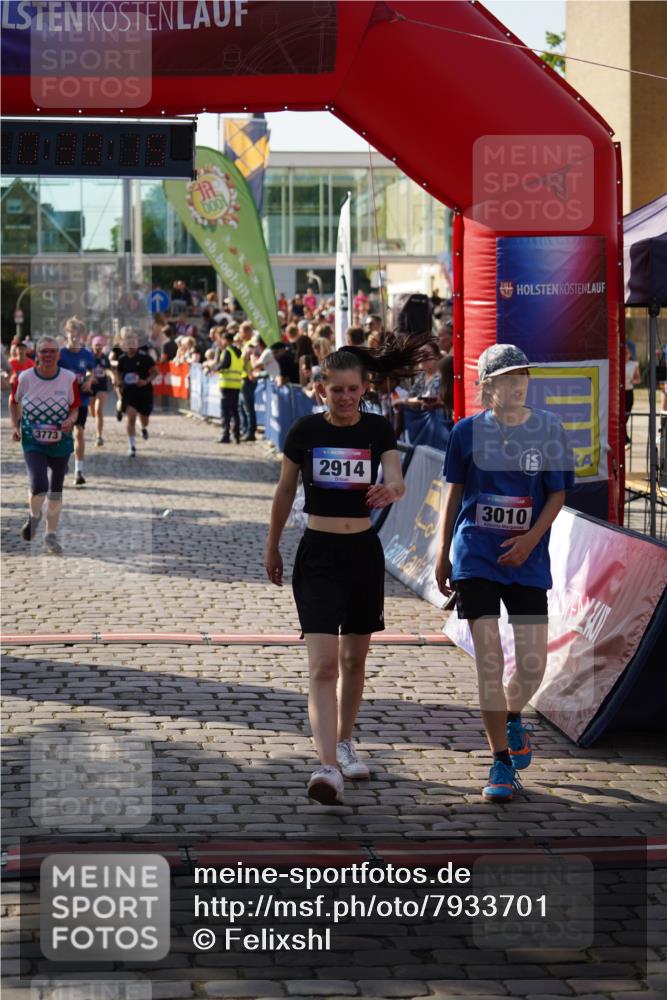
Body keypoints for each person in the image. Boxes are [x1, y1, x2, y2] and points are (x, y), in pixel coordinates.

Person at [264, 336, 430, 805]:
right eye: (335, 389)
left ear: (363, 389)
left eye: (352, 389)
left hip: (362, 552)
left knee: (355, 661)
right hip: (317, 553)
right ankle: (327, 767)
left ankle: (343, 740)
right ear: (322, 389)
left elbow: (396, 476)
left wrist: (391, 489)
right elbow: (283, 492)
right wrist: (272, 545)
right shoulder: (304, 432)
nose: (344, 396)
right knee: (323, 664)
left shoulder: (377, 431)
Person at [434, 344, 574, 803]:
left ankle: (513, 715)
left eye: (523, 378)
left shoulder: (549, 428)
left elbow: (557, 494)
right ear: (487, 387)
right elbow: (452, 495)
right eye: (507, 379)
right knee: (490, 658)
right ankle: (500, 761)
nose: (517, 386)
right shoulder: (466, 432)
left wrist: (531, 539)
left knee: (533, 665)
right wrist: (441, 553)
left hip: (527, 559)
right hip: (476, 554)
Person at [9, 335, 80, 555]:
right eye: (43, 351)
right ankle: (34, 515)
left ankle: (51, 535)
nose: (47, 355)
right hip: (33, 440)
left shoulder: (68, 378)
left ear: (58, 355)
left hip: (61, 442)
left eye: (52, 351)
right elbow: (13, 402)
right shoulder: (26, 377)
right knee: (39, 485)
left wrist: (70, 420)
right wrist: (15, 426)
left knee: (56, 492)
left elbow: (75, 407)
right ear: (36, 355)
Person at [58, 316, 95, 486]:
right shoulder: (60, 354)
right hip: (63, 400)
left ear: (82, 336)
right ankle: (63, 462)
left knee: (79, 432)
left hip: (82, 399)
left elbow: (91, 372)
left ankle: (78, 470)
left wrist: (88, 381)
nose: (74, 337)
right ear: (66, 334)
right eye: (71, 334)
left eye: (77, 335)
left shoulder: (87, 354)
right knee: (64, 433)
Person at [112, 327, 157, 456]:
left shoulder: (145, 357)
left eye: (133, 343)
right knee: (131, 417)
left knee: (145, 419)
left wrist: (146, 381)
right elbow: (118, 373)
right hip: (129, 392)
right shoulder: (122, 359)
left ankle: (143, 427)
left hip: (144, 392)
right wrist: (118, 380)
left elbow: (155, 372)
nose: (131, 346)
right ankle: (131, 446)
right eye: (128, 344)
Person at [216, 329, 244, 444]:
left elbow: (225, 365)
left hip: (226, 384)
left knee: (225, 411)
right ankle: (236, 435)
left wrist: (216, 368)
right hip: (236, 385)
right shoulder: (239, 352)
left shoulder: (227, 351)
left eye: (222, 340)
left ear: (226, 340)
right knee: (235, 411)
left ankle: (225, 435)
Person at [89, 336, 112, 446]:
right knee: (93, 411)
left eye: (100, 345)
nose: (98, 347)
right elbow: (84, 370)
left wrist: (113, 376)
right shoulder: (88, 357)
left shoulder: (104, 358)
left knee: (99, 410)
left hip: (102, 387)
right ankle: (97, 422)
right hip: (90, 387)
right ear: (92, 346)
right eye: (96, 345)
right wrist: (89, 377)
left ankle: (99, 436)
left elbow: (108, 369)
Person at [624, 345, 641, 446]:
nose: (626, 355)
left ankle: (625, 439)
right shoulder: (618, 363)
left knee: (626, 416)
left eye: (627, 353)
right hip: (620, 393)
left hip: (629, 392)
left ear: (630, 355)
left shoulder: (633, 365)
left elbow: (639, 379)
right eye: (624, 353)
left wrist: (633, 381)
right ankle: (625, 439)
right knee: (621, 417)